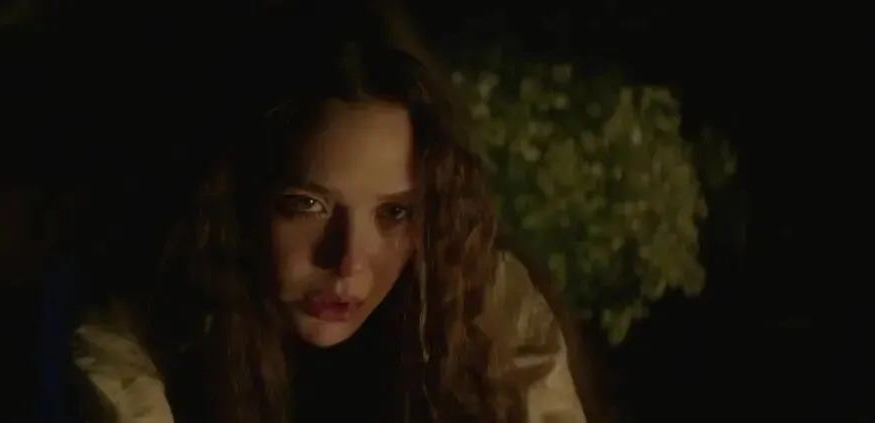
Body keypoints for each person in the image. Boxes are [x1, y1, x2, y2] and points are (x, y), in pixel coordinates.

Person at [72, 5, 588, 423]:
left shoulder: (468, 304)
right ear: (233, 197)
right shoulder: (143, 337)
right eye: (309, 205)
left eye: (394, 211)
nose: (349, 263)